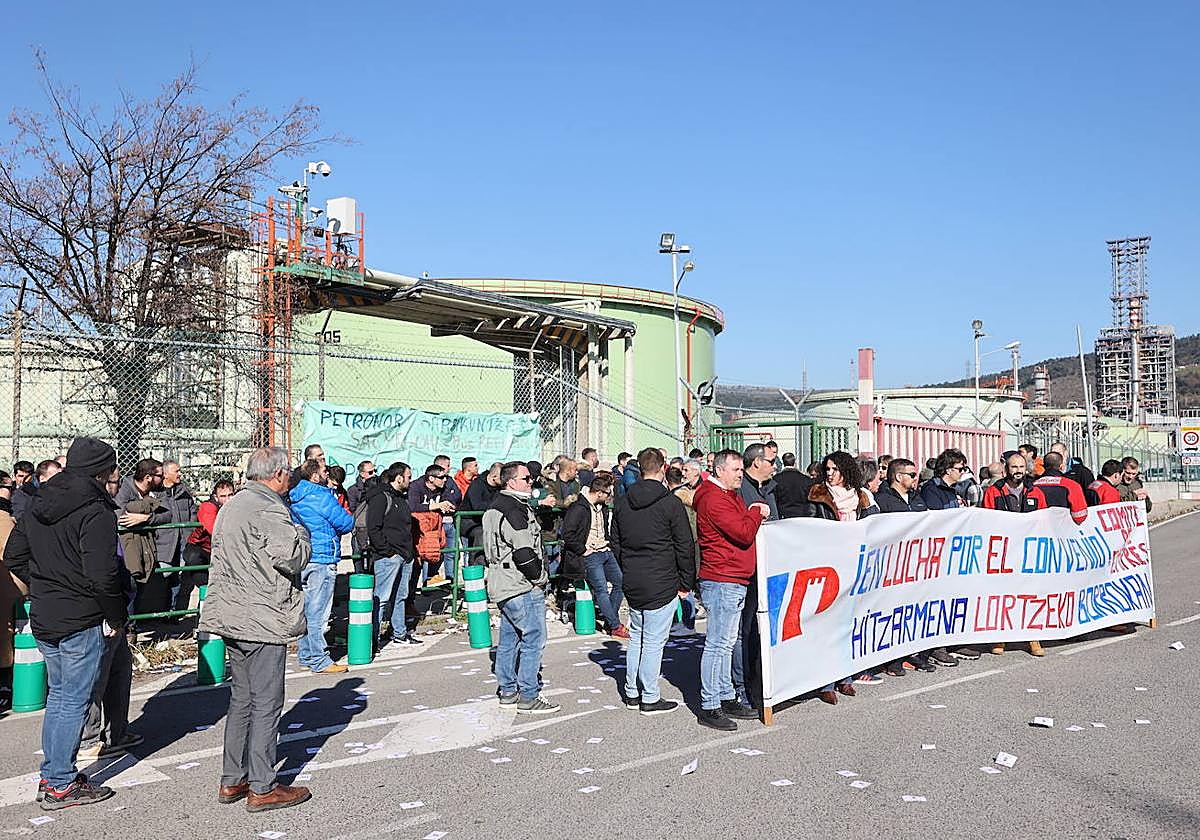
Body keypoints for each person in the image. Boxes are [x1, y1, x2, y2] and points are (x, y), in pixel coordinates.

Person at [3, 437, 126, 809]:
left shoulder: (39, 500)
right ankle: (59, 781)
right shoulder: (96, 510)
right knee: (72, 699)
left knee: (60, 696)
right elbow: (102, 573)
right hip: (79, 613)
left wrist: (42, 581)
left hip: (45, 610)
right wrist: (115, 614)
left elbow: (13, 555)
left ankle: (54, 774)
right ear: (102, 470)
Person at [201, 447, 313, 813]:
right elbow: (292, 556)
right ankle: (262, 786)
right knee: (266, 702)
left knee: (243, 699)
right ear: (278, 474)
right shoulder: (268, 508)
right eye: (288, 474)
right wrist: (302, 531)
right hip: (261, 615)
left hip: (233, 612)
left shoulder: (233, 504)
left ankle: (233, 778)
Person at [611, 448, 695, 716]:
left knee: (638, 636)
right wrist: (686, 580)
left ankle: (632, 692)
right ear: (662, 468)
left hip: (634, 576)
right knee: (654, 640)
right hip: (661, 576)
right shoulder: (670, 503)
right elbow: (684, 545)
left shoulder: (623, 502)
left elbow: (616, 541)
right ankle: (650, 695)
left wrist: (628, 564)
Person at [693, 449, 769, 731]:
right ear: (719, 470)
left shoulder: (728, 495)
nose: (740, 474)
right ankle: (710, 703)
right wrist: (754, 511)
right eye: (736, 470)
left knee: (726, 644)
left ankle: (725, 695)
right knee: (718, 644)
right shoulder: (714, 499)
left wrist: (749, 511)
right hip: (723, 577)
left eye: (741, 470)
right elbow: (743, 532)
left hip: (734, 576)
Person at [482, 461, 560, 715]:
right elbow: (524, 552)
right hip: (519, 583)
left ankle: (507, 689)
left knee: (508, 638)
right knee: (534, 638)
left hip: (499, 580)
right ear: (511, 481)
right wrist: (539, 578)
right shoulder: (515, 509)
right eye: (526, 479)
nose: (531, 483)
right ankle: (528, 694)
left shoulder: (494, 507)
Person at [807, 452, 880, 698]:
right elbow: (809, 526)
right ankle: (826, 684)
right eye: (827, 468)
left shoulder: (860, 497)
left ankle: (845, 677)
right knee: (827, 625)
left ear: (846, 470)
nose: (830, 473)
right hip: (828, 565)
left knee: (849, 623)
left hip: (854, 564)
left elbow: (873, 527)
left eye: (835, 469)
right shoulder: (817, 494)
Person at [289, 458, 354, 674]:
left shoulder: (296, 496)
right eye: (325, 471)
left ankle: (306, 654)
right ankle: (319, 659)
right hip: (323, 556)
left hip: (305, 556)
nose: (328, 474)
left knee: (308, 609)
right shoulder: (322, 497)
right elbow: (345, 523)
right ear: (315, 475)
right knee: (319, 612)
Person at [980, 452, 1046, 658]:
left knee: (1030, 594)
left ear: (1026, 468)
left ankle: (1032, 637)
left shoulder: (1036, 491)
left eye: (1021, 467)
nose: (1017, 471)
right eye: (1013, 467)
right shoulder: (993, 491)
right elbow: (986, 518)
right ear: (1005, 469)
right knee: (1002, 595)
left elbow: (1044, 520)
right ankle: (1000, 637)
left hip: (1028, 552)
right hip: (1003, 551)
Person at [872, 458, 934, 674]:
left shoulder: (918, 499)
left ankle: (914, 654)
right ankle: (893, 659)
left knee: (916, 610)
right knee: (895, 610)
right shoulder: (883, 500)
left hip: (919, 565)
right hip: (894, 566)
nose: (916, 478)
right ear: (899, 477)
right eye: (912, 474)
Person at [732, 444, 778, 708]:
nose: (774, 466)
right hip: (749, 569)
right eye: (771, 461)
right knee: (746, 630)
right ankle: (746, 683)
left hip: (768, 566)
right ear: (757, 462)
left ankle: (761, 677)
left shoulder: (768, 488)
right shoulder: (743, 492)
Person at [560, 472, 625, 637]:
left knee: (620, 583)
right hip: (590, 553)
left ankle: (611, 620)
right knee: (601, 589)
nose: (610, 497)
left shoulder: (601, 507)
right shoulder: (578, 508)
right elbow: (567, 534)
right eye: (608, 494)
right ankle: (614, 625)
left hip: (605, 550)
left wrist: (608, 545)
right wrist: (583, 550)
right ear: (599, 493)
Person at [366, 463, 421, 645]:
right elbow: (373, 527)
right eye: (408, 477)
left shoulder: (401, 498)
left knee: (401, 596)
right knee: (381, 598)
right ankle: (372, 639)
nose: (410, 480)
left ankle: (399, 633)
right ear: (399, 478)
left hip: (404, 555)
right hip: (389, 556)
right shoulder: (381, 497)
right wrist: (387, 551)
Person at [155, 460, 198, 613]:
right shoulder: (156, 493)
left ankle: (174, 612)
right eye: (176, 471)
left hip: (182, 542)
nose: (180, 474)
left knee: (178, 578)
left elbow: (193, 512)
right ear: (165, 474)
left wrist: (190, 531)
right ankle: (160, 611)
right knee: (163, 577)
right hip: (163, 543)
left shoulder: (184, 493)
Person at [183, 479, 235, 598]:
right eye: (223, 496)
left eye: (230, 495)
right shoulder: (208, 507)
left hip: (216, 551)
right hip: (199, 550)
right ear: (215, 497)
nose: (227, 499)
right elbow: (213, 530)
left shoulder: (235, 506)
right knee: (203, 585)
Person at [409, 464, 457, 586]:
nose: (445, 480)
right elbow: (413, 506)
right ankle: (412, 595)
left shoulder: (444, 486)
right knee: (417, 563)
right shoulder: (416, 486)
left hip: (436, 528)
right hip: (418, 530)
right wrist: (435, 506)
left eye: (445, 476)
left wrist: (449, 506)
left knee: (438, 554)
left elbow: (453, 498)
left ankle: (432, 581)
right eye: (441, 477)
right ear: (431, 478)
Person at [1031, 451, 1088, 525]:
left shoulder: (1032, 485)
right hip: (1063, 530)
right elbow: (1080, 516)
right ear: (1061, 466)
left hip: (1038, 529)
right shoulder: (1071, 485)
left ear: (1043, 466)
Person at [461, 462, 503, 550]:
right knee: (481, 533)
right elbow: (477, 506)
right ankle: (477, 562)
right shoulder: (477, 485)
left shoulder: (500, 488)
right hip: (468, 520)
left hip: (487, 520)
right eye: (502, 477)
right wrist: (497, 505)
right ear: (494, 477)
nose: (504, 480)